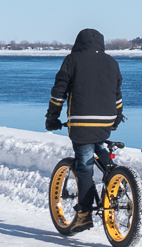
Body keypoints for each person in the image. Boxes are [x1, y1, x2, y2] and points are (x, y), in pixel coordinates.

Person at [45, 28, 124, 232]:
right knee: (97, 143)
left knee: (84, 167)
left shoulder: (72, 60)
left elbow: (59, 92)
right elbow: (117, 94)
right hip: (106, 119)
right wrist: (116, 118)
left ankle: (84, 214)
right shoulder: (112, 62)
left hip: (81, 121)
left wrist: (52, 118)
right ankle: (117, 178)